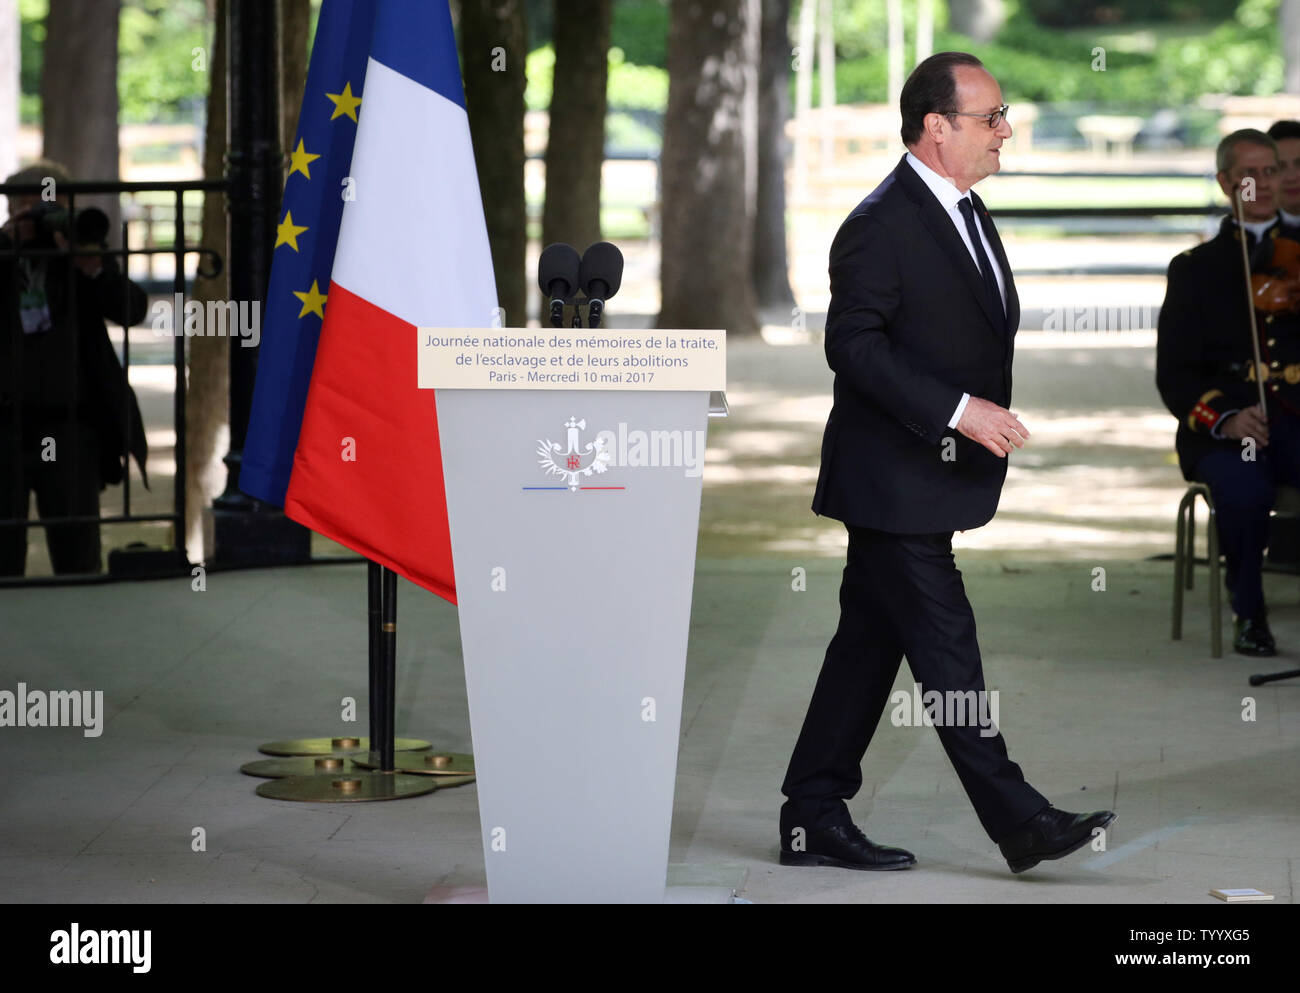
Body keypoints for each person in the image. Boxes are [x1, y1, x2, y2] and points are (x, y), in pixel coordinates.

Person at [779, 52, 1115, 875]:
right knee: (947, 649)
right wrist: (959, 411)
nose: (1006, 132)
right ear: (937, 127)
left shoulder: (966, 207)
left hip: (928, 477)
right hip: (893, 481)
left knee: (865, 644)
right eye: (990, 117)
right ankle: (1019, 818)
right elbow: (851, 344)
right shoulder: (879, 223)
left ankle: (812, 811)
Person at [1156, 129, 1300, 656]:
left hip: (1295, 420)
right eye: (1250, 174)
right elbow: (1174, 374)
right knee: (1243, 492)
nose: (1264, 184)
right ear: (1225, 182)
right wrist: (1227, 418)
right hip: (1227, 430)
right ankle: (1250, 611)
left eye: (1273, 171)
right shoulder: (1195, 270)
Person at [0, 159, 147, 577]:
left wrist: (90, 265)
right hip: (5, 426)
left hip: (69, 427)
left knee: (77, 554)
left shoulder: (81, 255)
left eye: (53, 207)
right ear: (10, 210)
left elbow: (131, 309)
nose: (42, 219)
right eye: (30, 209)